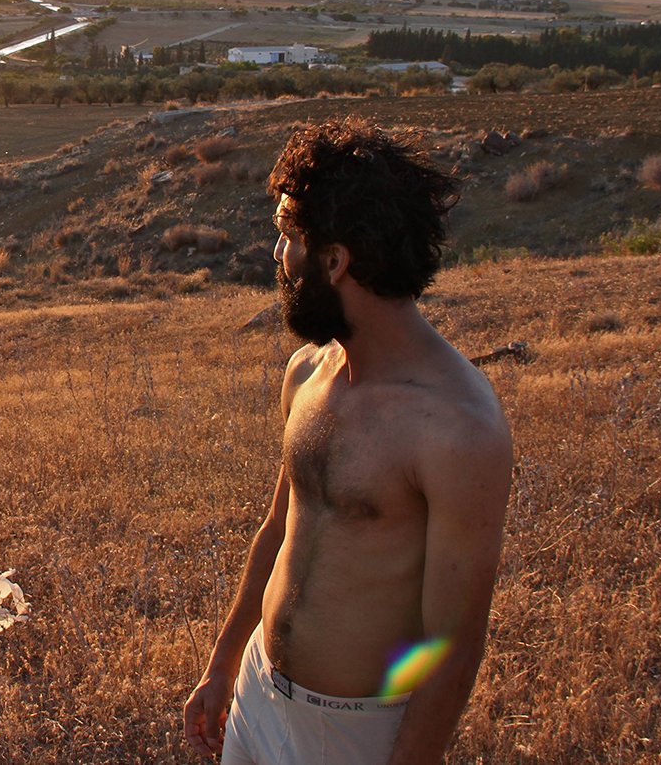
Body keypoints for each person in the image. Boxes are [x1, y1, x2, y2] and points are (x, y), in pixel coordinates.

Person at [183, 119, 512, 765]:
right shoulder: (307, 372)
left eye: (288, 236)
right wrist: (222, 665)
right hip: (256, 694)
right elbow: (278, 529)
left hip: (352, 735)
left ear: (335, 261)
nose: (277, 256)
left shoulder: (457, 429)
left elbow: (453, 650)